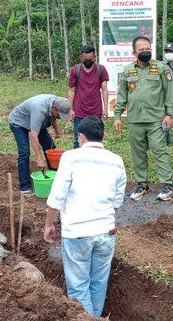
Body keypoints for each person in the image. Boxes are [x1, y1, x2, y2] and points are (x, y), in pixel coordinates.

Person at [44, 116, 125, 318]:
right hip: (106, 232)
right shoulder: (117, 161)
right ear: (103, 136)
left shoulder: (70, 157)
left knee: (79, 287)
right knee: (99, 283)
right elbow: (117, 202)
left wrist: (48, 225)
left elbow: (56, 199)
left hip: (77, 233)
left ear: (81, 137)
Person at [114, 36, 173, 201]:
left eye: (147, 48)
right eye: (141, 50)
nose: (145, 52)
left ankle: (168, 185)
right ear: (134, 52)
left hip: (156, 119)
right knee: (138, 154)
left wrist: (169, 114)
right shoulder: (128, 70)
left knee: (159, 151)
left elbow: (169, 93)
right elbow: (122, 95)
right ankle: (143, 184)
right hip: (135, 120)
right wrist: (118, 116)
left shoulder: (161, 68)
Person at [8, 95, 71, 194]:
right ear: (54, 108)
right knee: (24, 153)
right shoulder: (39, 109)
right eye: (60, 114)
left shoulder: (56, 102)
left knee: (51, 148)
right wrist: (39, 158)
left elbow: (53, 117)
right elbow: (33, 136)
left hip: (37, 122)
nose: (60, 117)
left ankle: (53, 177)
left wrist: (56, 129)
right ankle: (25, 187)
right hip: (19, 123)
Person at [68, 45, 110, 148]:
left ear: (95, 57)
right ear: (81, 58)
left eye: (90, 59)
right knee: (78, 140)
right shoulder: (75, 70)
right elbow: (71, 91)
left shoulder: (101, 69)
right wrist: (70, 109)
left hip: (96, 111)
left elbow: (104, 89)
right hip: (79, 112)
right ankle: (77, 163)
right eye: (85, 59)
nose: (88, 61)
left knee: (96, 141)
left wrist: (105, 108)